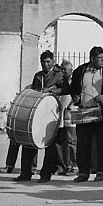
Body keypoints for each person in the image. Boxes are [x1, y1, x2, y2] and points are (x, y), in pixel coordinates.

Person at [70, 46, 103, 182]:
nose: (102, 61)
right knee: (83, 143)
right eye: (99, 58)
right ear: (92, 58)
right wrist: (75, 97)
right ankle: (83, 173)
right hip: (84, 111)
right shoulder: (80, 71)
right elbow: (73, 88)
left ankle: (101, 172)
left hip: (102, 112)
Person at [13, 50, 65, 182]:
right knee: (30, 140)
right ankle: (26, 172)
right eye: (43, 62)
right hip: (37, 111)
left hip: (51, 112)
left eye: (48, 62)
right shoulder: (38, 76)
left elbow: (65, 89)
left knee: (50, 145)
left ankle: (45, 174)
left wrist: (51, 90)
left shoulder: (59, 75)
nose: (45, 64)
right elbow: (33, 92)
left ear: (53, 61)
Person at [56, 61, 77, 176]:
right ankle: (67, 165)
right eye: (62, 69)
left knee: (71, 141)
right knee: (64, 141)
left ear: (71, 70)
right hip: (63, 113)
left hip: (71, 113)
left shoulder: (74, 81)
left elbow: (77, 96)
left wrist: (70, 106)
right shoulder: (62, 82)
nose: (63, 72)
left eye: (65, 70)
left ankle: (75, 166)